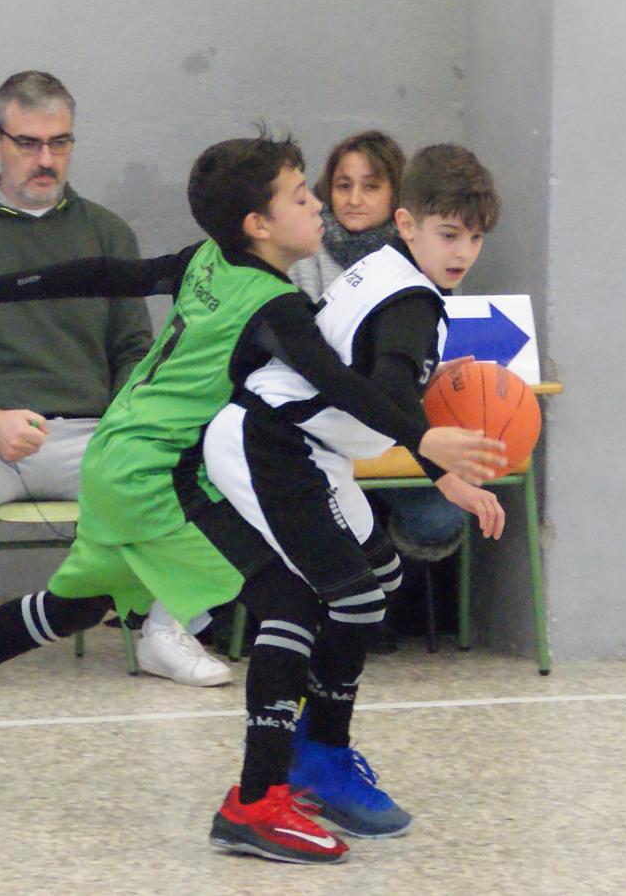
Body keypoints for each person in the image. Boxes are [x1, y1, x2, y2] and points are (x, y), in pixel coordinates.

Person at [0, 133, 504, 864]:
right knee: (293, 600)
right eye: (300, 196)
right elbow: (342, 384)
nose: (317, 203)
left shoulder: (205, 262)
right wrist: (427, 444)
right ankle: (256, 803)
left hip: (116, 455)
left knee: (76, 606)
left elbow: (106, 273)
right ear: (259, 225)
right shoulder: (278, 306)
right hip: (160, 470)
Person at [0, 70, 230, 686]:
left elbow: (134, 350)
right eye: (28, 143)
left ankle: (166, 631)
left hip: (96, 436)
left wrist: (131, 422)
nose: (46, 160)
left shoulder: (105, 233)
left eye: (60, 143)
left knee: (213, 459)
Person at [203, 140, 504, 848]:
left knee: (380, 574)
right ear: (408, 223)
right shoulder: (411, 305)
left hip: (309, 447)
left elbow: (372, 396)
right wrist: (434, 452)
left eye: (476, 237)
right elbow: (390, 396)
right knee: (351, 597)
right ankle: (305, 766)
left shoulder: (386, 268)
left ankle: (314, 748)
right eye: (448, 233)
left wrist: (439, 469)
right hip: (275, 446)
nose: (462, 251)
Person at [289, 131, 467, 576]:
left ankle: (392, 600)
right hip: (322, 427)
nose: (354, 198)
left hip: (393, 435)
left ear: (398, 200)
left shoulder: (429, 256)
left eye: (371, 186)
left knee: (439, 517)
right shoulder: (304, 256)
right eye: (343, 185)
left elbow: (410, 362)